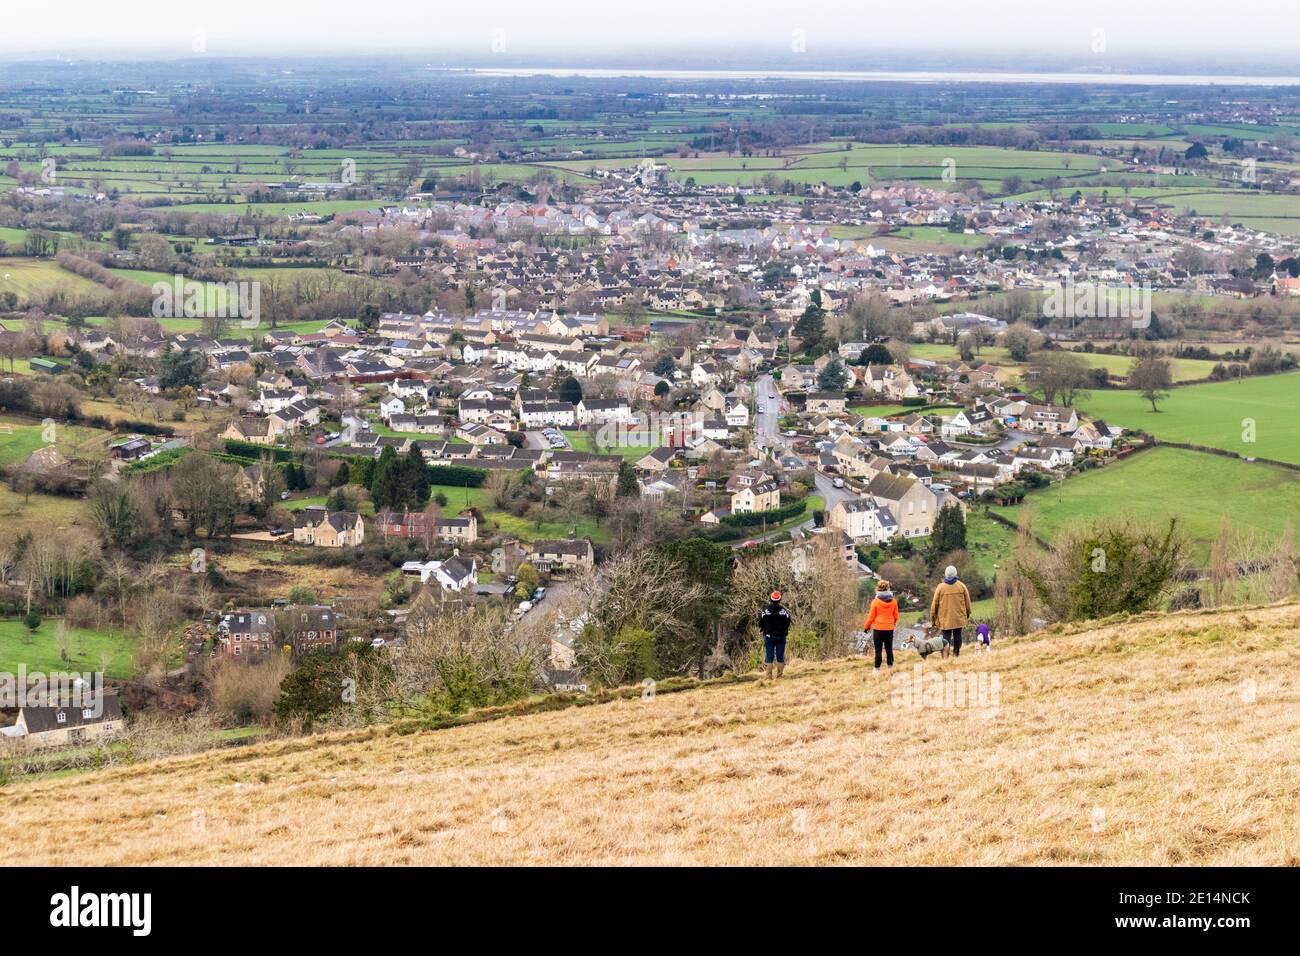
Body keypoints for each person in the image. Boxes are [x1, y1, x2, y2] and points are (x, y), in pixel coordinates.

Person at [929, 564, 972, 657]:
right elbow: (968, 602)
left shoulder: (940, 587)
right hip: (958, 617)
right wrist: (967, 614)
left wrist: (933, 619)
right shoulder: (962, 586)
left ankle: (946, 655)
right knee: (958, 634)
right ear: (955, 574)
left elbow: (934, 606)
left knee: (946, 636)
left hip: (945, 618)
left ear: (946, 574)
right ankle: (956, 653)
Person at [863, 579, 899, 674]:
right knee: (889, 648)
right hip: (889, 629)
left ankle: (877, 670)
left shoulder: (875, 602)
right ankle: (890, 668)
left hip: (878, 629)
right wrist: (892, 623)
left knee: (878, 650)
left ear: (878, 589)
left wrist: (866, 627)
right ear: (888, 588)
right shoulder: (894, 601)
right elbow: (896, 616)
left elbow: (871, 617)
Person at [758, 590, 792, 681]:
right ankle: (779, 677)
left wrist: (765, 629)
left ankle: (768, 677)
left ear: (770, 599)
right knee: (780, 656)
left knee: (769, 656)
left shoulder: (765, 611)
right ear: (779, 600)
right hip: (781, 637)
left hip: (769, 636)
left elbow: (760, 623)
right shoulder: (784, 611)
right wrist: (783, 630)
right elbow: (788, 622)